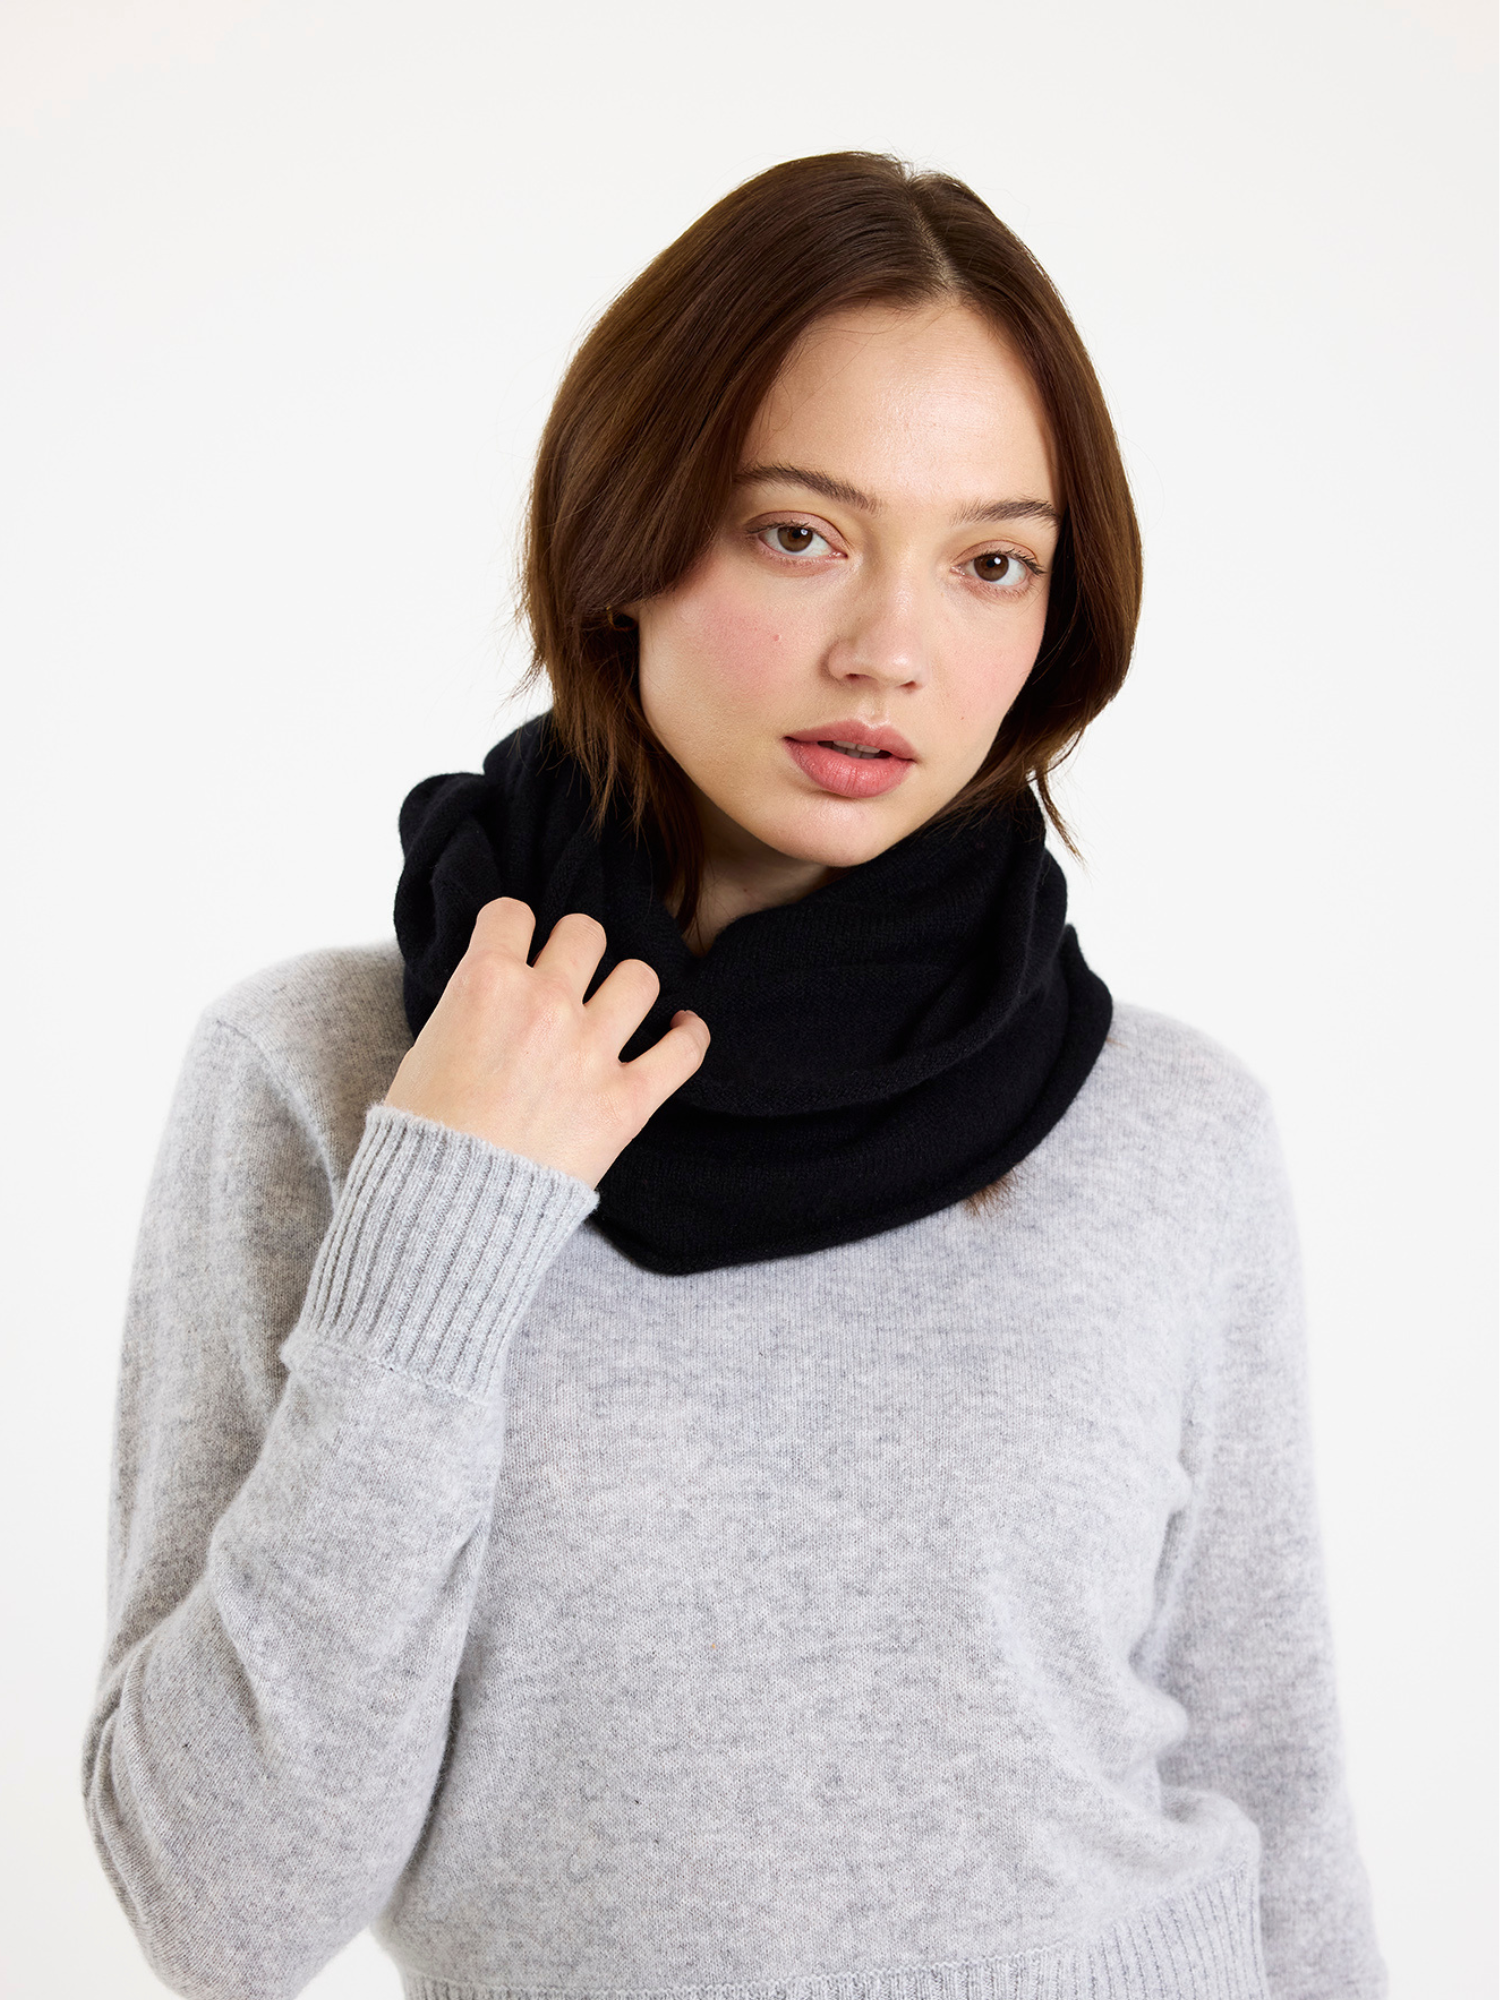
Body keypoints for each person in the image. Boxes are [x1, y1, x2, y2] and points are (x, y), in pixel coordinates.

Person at [82, 152, 1387, 2000]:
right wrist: (449, 1221)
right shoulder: (329, 1076)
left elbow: (1278, 1797)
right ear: (629, 531)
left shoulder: (1168, 1129)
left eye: (992, 561)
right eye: (801, 532)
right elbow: (220, 1911)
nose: (893, 651)